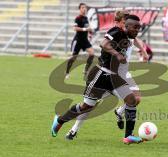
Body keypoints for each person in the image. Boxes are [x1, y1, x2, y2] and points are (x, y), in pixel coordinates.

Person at [51, 15, 144, 144]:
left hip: (115, 78)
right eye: (135, 27)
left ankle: (128, 136)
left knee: (131, 100)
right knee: (87, 106)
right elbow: (103, 44)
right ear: (126, 26)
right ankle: (60, 120)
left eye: (139, 28)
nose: (137, 30)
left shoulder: (128, 38)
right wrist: (117, 54)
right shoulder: (116, 32)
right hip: (101, 75)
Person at [65, 3, 94, 79]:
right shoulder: (78, 18)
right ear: (80, 9)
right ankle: (67, 72)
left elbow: (88, 28)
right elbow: (75, 28)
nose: (84, 9)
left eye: (85, 8)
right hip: (78, 41)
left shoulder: (86, 18)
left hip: (85, 41)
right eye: (82, 7)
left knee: (92, 54)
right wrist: (85, 29)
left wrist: (90, 32)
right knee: (73, 58)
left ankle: (85, 70)